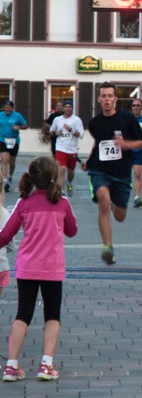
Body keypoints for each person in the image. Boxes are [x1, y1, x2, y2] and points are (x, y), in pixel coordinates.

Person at [0, 156, 78, 382]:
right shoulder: (62, 203)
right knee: (52, 315)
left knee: (22, 314)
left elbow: (6, 235)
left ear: (31, 178)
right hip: (52, 268)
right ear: (54, 177)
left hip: (26, 268)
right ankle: (46, 365)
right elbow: (72, 230)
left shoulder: (23, 203)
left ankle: (12, 366)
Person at [86, 82, 142, 265]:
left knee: (120, 216)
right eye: (103, 96)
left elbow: (140, 143)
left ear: (115, 99)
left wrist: (125, 145)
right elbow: (98, 144)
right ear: (98, 99)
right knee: (103, 201)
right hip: (99, 170)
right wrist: (88, 161)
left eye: (110, 96)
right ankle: (107, 247)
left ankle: (111, 198)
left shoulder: (127, 119)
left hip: (121, 174)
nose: (106, 100)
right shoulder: (94, 123)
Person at [49, 99, 84, 195]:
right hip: (60, 148)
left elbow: (81, 135)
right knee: (61, 170)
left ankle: (69, 182)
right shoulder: (57, 120)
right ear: (63, 108)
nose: (68, 108)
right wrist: (56, 133)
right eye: (66, 107)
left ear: (72, 108)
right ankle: (61, 191)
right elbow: (51, 132)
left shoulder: (77, 120)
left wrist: (71, 130)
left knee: (70, 172)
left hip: (72, 149)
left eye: (69, 107)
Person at [0, 100, 28, 193]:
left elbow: (25, 125)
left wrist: (19, 127)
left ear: (12, 108)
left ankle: (10, 176)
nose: (7, 109)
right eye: (6, 107)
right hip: (2, 140)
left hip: (14, 141)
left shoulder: (17, 115)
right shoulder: (1, 115)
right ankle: (5, 182)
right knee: (4, 160)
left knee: (12, 162)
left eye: (9, 107)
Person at [130, 98, 142, 208]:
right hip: (127, 150)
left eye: (138, 105)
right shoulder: (127, 119)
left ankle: (137, 197)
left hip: (139, 150)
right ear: (131, 108)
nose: (136, 107)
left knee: (137, 174)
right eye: (134, 105)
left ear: (141, 108)